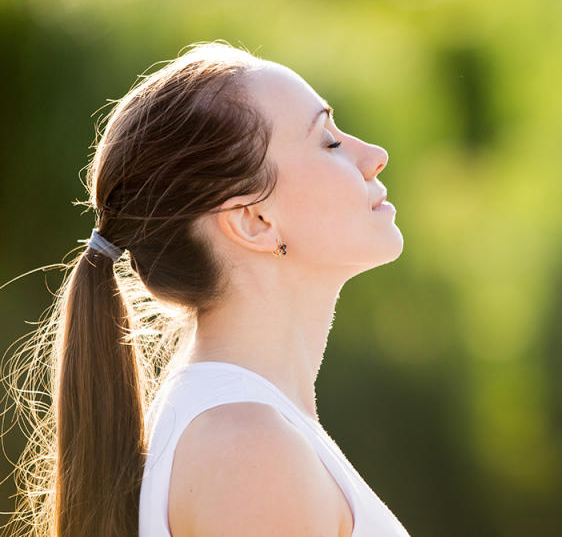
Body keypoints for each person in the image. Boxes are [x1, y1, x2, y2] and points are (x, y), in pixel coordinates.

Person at [3, 41, 408, 536]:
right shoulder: (249, 449)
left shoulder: (247, 429)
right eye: (328, 141)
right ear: (253, 220)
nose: (375, 156)